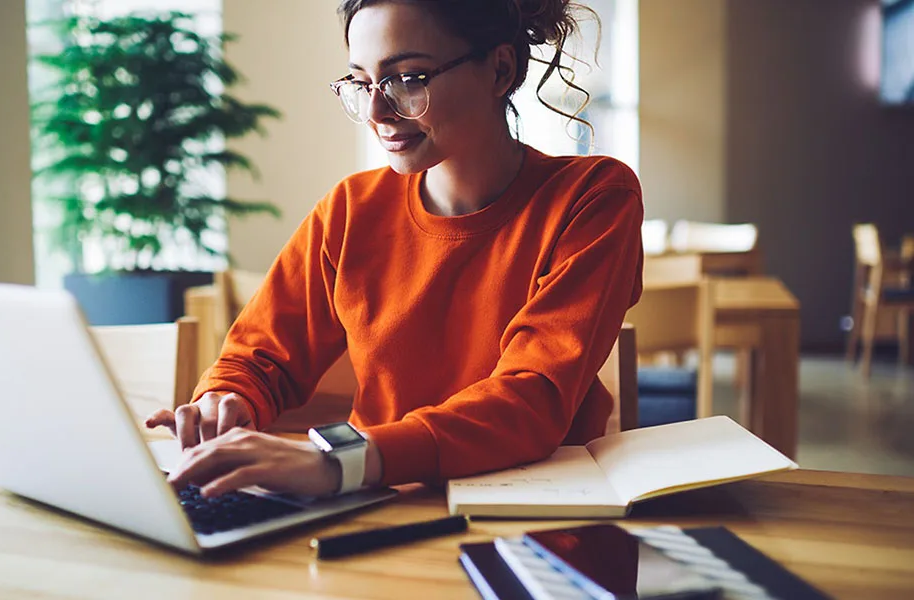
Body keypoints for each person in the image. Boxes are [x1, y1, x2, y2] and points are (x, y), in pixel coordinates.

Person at [148, 0, 643, 499]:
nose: (375, 112)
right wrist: (226, 402)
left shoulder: (593, 197)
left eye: (408, 79)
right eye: (362, 83)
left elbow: (530, 401)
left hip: (539, 515)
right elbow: (257, 360)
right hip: (375, 504)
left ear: (500, 69)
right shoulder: (348, 210)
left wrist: (340, 461)